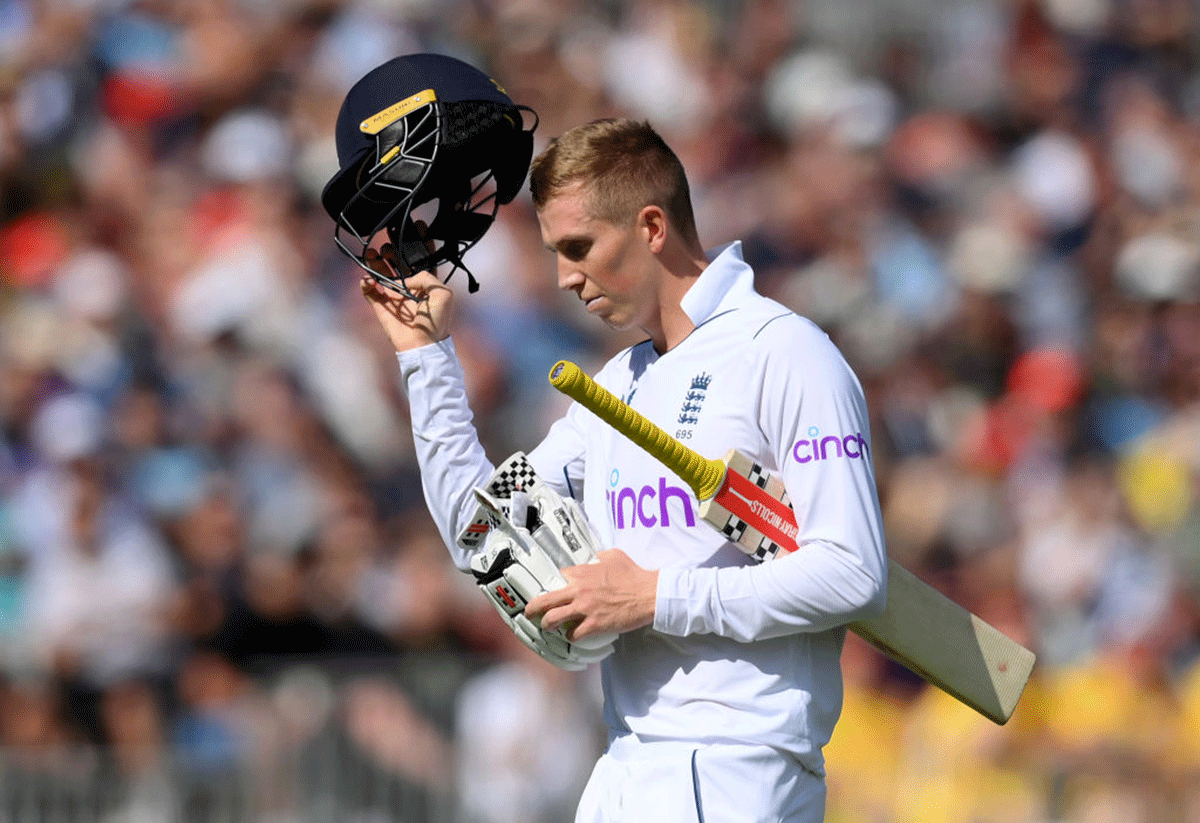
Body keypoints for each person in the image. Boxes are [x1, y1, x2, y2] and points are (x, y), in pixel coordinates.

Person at [332, 56, 888, 823]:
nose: (564, 278)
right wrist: (425, 358)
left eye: (579, 248)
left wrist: (655, 598)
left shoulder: (785, 353)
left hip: (741, 770)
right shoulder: (620, 386)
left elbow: (853, 574)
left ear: (651, 226)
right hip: (625, 764)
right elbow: (483, 534)